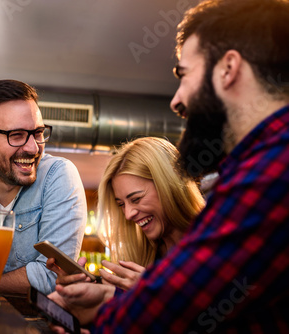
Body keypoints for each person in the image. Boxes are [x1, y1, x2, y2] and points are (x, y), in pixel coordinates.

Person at [48, 0, 289, 332]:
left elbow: (177, 306)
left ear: (229, 68)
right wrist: (108, 302)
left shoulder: (272, 168)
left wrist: (105, 317)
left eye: (184, 74)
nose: (176, 100)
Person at [0, 79, 87, 295]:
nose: (33, 147)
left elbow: (51, 277)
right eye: (17, 136)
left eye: (38, 133)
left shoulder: (58, 176)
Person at [48, 137, 204, 291]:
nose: (128, 215)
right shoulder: (144, 255)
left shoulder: (211, 244)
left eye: (136, 199)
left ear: (169, 186)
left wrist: (153, 291)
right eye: (121, 204)